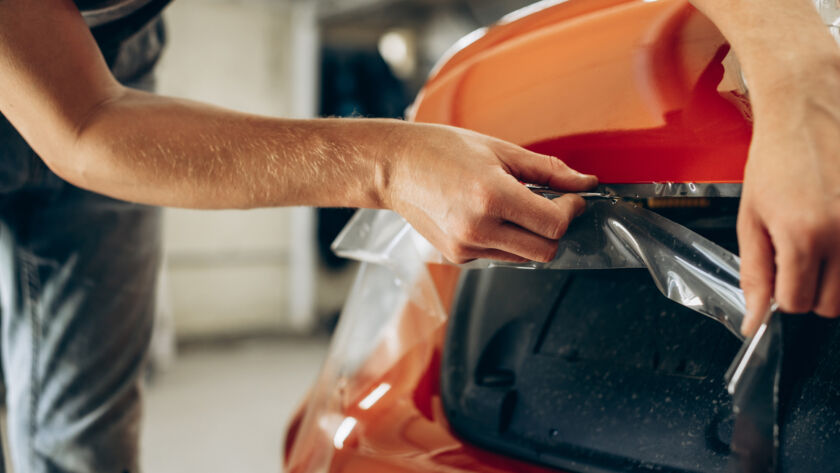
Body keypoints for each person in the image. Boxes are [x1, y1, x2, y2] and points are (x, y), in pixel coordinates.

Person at [0, 0, 835, 472]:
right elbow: (84, 124)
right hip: (73, 93)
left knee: (83, 426)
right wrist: (390, 164)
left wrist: (800, 78)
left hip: (116, 54)